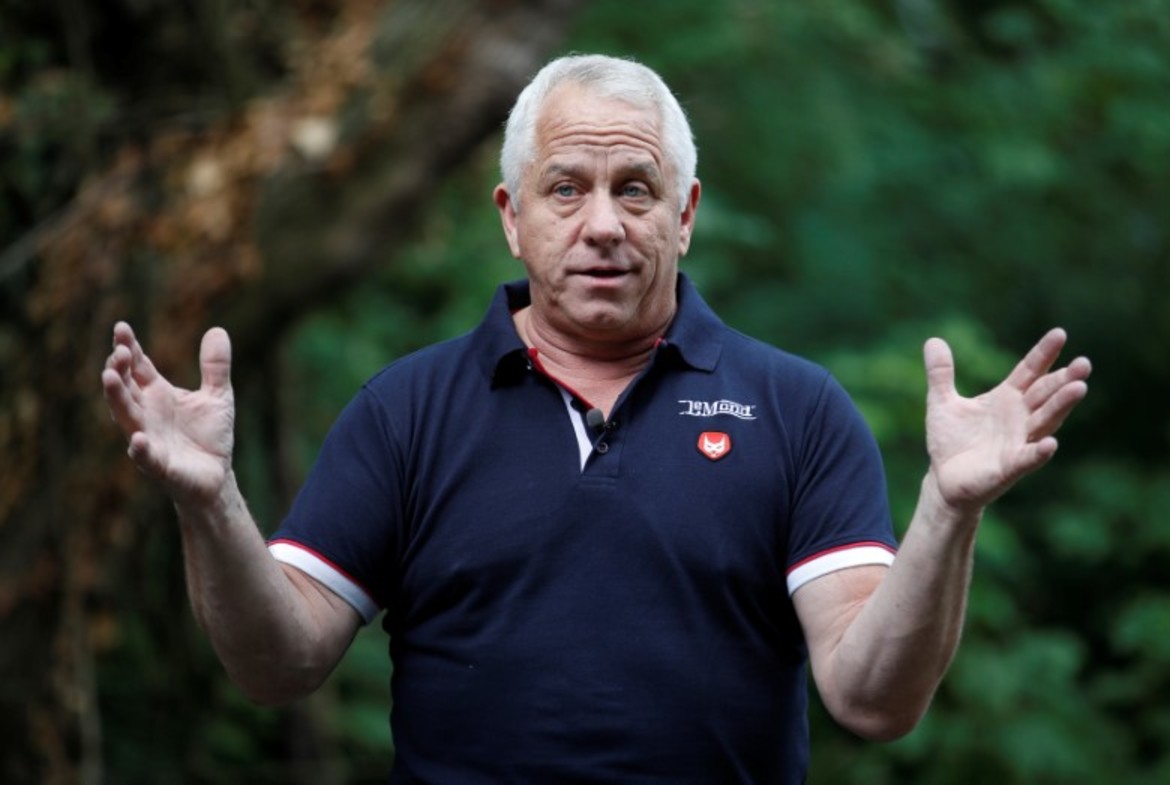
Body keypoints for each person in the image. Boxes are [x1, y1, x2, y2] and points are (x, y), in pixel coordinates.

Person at [101, 54, 1092, 783]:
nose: (604, 224)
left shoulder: (797, 410)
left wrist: (950, 508)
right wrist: (210, 503)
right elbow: (277, 663)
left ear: (685, 214)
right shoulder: (405, 411)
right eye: (566, 189)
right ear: (511, 215)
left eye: (636, 190)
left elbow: (873, 699)